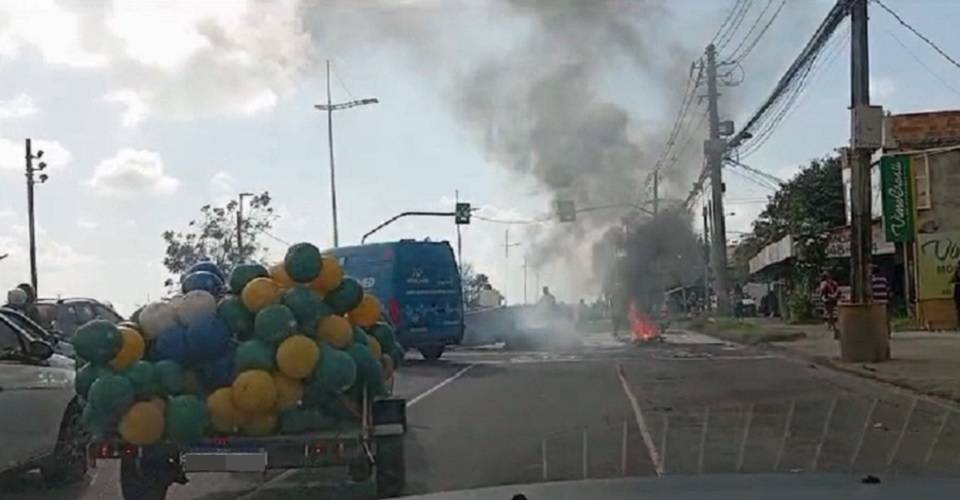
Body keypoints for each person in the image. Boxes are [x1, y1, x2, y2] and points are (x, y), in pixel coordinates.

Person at [951, 260, 960, 330]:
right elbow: (952, 280)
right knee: (958, 309)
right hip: (958, 291)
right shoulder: (956, 272)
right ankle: (958, 325)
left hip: (957, 291)